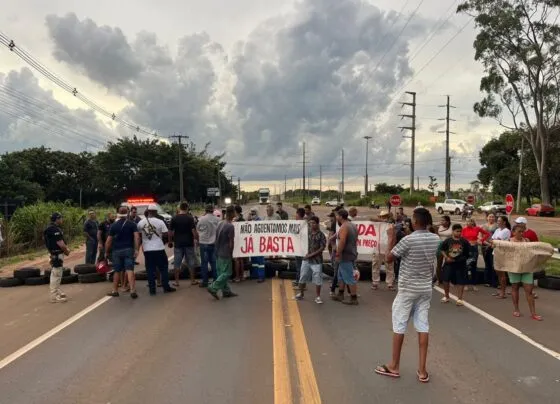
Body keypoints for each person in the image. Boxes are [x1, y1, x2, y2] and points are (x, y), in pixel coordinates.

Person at [375, 208, 440, 383]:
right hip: (425, 288)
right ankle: (422, 370)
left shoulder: (408, 240)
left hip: (407, 289)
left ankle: (394, 366)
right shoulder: (435, 238)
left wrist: (391, 238)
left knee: (399, 325)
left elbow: (389, 258)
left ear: (416, 222)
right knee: (423, 325)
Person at [137, 204, 176, 295]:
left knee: (150, 269)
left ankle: (152, 289)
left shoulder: (141, 223)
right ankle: (166, 287)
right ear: (155, 212)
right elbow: (166, 234)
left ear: (147, 211)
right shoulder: (160, 222)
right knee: (163, 268)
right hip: (159, 248)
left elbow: (139, 236)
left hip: (147, 249)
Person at [507, 224, 542, 321]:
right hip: (515, 269)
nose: (521, 234)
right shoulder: (509, 242)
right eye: (519, 232)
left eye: (523, 232)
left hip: (526, 268)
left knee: (529, 290)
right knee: (515, 288)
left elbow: (532, 252)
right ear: (513, 232)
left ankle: (533, 313)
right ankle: (516, 309)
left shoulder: (527, 241)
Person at [105, 206, 140, 299]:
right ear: (127, 214)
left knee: (117, 271)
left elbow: (108, 241)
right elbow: (136, 237)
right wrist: (136, 249)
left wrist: (106, 252)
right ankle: (132, 290)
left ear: (118, 214)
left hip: (116, 251)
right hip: (128, 250)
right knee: (129, 270)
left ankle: (115, 290)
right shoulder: (132, 224)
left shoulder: (114, 225)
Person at [294, 216, 327, 304]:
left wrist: (311, 255)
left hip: (316, 261)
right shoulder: (306, 233)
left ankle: (318, 296)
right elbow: (296, 236)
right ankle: (301, 293)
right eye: (310, 223)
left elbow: (322, 248)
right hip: (306, 260)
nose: (312, 225)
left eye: (313, 223)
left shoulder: (321, 235)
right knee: (303, 276)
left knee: (317, 278)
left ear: (317, 224)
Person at [208, 205, 238, 300]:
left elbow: (216, 238)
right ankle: (213, 287)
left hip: (218, 251)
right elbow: (231, 242)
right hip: (225, 252)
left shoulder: (220, 223)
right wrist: (231, 253)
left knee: (221, 272)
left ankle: (226, 291)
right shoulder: (230, 226)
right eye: (234, 212)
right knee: (227, 273)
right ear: (232, 213)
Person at [332, 209, 359, 305]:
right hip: (351, 253)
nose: (336, 217)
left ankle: (353, 298)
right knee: (341, 276)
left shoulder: (344, 227)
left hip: (345, 255)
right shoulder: (352, 225)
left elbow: (342, 241)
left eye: (337, 216)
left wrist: (338, 254)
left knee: (348, 276)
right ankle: (340, 294)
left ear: (340, 217)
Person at [168, 202, 198, 287]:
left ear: (179, 208)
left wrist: (170, 242)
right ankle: (192, 280)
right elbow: (193, 231)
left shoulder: (174, 218)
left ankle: (177, 281)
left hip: (178, 243)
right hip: (189, 243)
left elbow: (170, 232)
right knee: (191, 262)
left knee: (177, 262)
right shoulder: (190, 218)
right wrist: (197, 239)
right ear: (187, 208)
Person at [440, 224, 470, 306]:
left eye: (460, 231)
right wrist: (446, 257)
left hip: (460, 264)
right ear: (453, 231)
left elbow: (467, 254)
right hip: (449, 264)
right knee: (446, 280)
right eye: (457, 231)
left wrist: (460, 259)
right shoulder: (448, 240)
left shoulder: (464, 241)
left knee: (461, 281)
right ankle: (446, 296)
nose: (459, 233)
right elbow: (442, 249)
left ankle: (460, 299)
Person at [44, 213, 70, 303]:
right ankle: (54, 296)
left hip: (53, 253)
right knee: (56, 275)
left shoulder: (49, 228)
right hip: (57, 253)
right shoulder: (54, 229)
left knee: (55, 274)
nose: (62, 219)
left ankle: (56, 291)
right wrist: (67, 251)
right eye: (61, 218)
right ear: (57, 219)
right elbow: (60, 243)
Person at [484, 216, 511, 299]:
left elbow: (496, 240)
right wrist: (493, 242)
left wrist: (493, 242)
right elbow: (491, 240)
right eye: (498, 221)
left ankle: (503, 292)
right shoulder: (497, 230)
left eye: (500, 221)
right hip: (495, 252)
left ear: (504, 222)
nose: (498, 222)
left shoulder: (506, 231)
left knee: (502, 274)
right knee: (498, 273)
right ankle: (500, 291)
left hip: (502, 253)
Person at [460, 218, 490, 291]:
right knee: (466, 266)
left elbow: (487, 234)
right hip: (466, 248)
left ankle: (474, 284)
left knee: (473, 266)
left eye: (470, 221)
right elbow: (461, 238)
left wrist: (480, 240)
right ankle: (466, 284)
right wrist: (466, 243)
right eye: (467, 221)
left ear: (473, 222)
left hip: (474, 248)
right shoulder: (464, 229)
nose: (468, 223)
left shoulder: (477, 228)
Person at [371, 210, 395, 291]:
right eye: (382, 216)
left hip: (387, 248)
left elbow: (392, 238)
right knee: (375, 265)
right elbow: (370, 218)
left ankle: (390, 283)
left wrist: (390, 249)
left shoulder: (390, 225)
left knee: (389, 266)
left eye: (385, 216)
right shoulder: (377, 224)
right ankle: (375, 282)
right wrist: (381, 220)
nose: (383, 218)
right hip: (377, 247)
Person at [197, 204, 219, 288]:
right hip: (214, 243)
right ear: (213, 210)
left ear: (205, 210)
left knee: (204, 263)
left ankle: (205, 281)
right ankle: (216, 280)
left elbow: (198, 229)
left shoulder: (201, 219)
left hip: (204, 243)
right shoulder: (217, 219)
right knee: (214, 263)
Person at [248, 208, 266, 283]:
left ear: (257, 214)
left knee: (260, 261)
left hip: (259, 244)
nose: (252, 215)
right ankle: (254, 274)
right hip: (252, 244)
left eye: (253, 213)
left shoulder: (259, 221)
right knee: (254, 260)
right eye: (251, 213)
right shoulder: (250, 221)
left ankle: (261, 276)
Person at [481, 213, 498, 287]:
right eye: (490, 217)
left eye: (493, 217)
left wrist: (492, 244)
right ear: (487, 218)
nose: (491, 218)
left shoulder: (497, 226)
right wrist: (486, 243)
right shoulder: (483, 226)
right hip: (485, 246)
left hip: (494, 246)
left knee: (493, 264)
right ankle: (486, 281)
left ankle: (494, 281)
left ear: (495, 218)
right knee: (487, 264)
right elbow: (481, 236)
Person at [435, 215, 452, 285]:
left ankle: (449, 280)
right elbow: (435, 234)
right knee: (439, 264)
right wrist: (437, 225)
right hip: (440, 246)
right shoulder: (439, 227)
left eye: (443, 220)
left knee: (449, 264)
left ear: (448, 221)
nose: (442, 222)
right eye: (441, 220)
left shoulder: (451, 227)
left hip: (449, 246)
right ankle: (438, 280)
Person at [292, 207, 306, 288]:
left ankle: (301, 284)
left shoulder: (302, 224)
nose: (295, 216)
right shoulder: (301, 223)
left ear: (298, 214)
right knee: (299, 266)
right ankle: (298, 281)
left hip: (301, 248)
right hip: (298, 247)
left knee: (301, 266)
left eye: (296, 214)